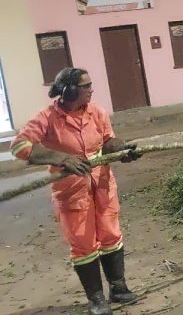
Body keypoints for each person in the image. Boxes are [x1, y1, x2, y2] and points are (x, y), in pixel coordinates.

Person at [10, 68, 141, 315]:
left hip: (102, 186)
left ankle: (119, 288)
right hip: (72, 192)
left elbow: (107, 141)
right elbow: (19, 147)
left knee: (111, 235)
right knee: (83, 243)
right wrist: (60, 157)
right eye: (86, 86)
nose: (92, 89)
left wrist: (123, 150)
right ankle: (96, 299)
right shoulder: (46, 118)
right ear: (70, 90)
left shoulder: (97, 112)